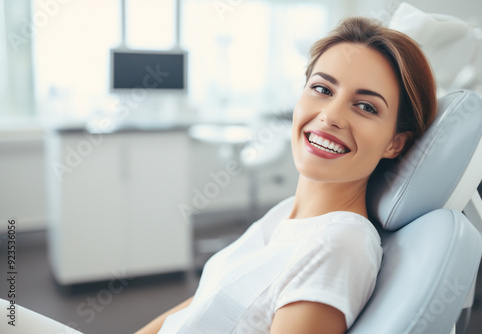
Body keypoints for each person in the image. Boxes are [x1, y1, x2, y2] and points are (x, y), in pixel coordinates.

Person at [136, 16, 437, 334]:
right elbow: (202, 305)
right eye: (322, 88)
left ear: (395, 143)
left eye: (366, 107)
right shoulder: (285, 214)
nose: (330, 116)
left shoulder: (338, 245)